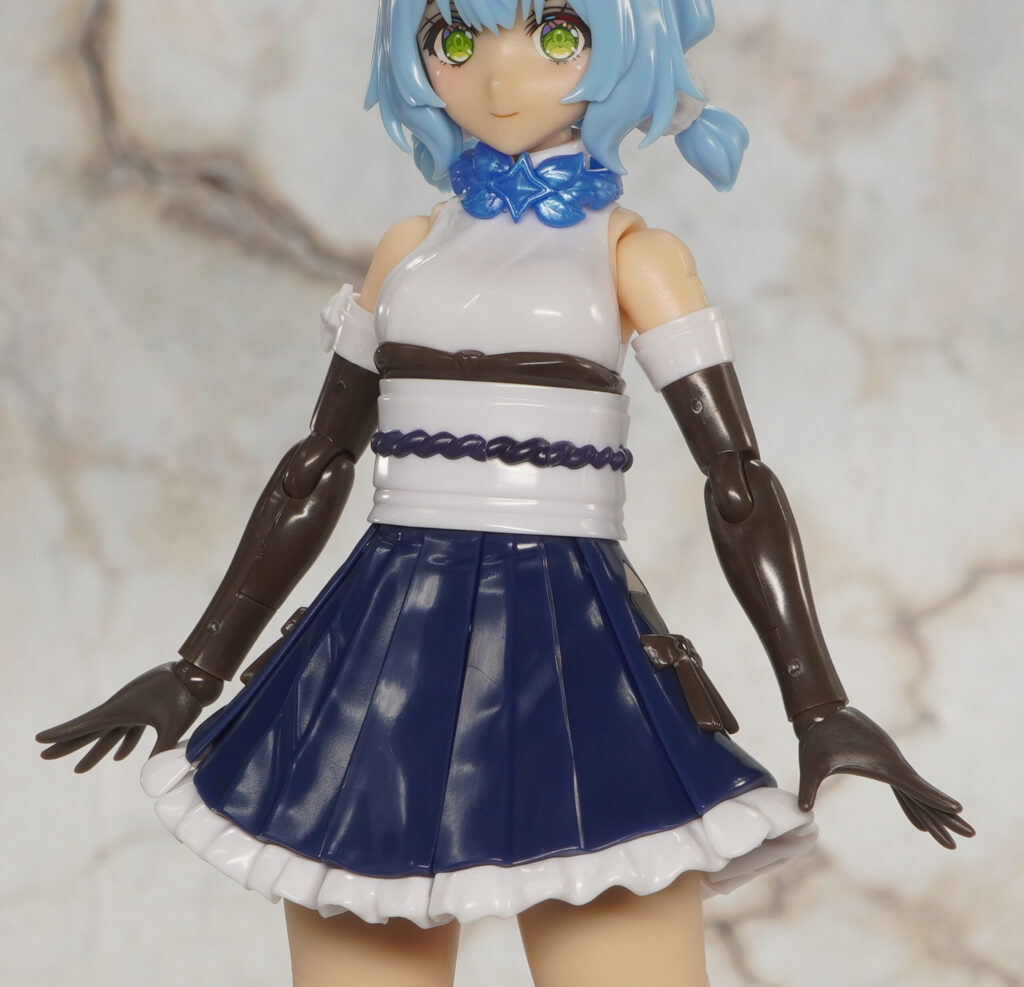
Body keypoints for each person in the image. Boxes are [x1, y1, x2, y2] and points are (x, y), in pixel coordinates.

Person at [38, 2, 973, 985]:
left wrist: (818, 702)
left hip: (571, 649)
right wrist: (195, 670)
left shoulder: (633, 256)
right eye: (454, 38)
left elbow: (735, 480)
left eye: (555, 33)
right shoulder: (407, 251)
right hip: (380, 651)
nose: (498, 73)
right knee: (357, 914)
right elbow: (319, 461)